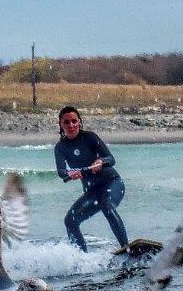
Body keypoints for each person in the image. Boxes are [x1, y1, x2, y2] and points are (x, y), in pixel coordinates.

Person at [53, 106, 129, 252]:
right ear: (61, 125)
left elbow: (111, 159)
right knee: (70, 221)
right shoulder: (60, 147)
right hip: (92, 191)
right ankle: (83, 259)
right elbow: (61, 171)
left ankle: (126, 248)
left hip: (112, 182)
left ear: (79, 122)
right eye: (66, 122)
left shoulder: (90, 137)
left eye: (74, 121)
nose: (71, 125)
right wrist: (70, 173)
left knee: (106, 204)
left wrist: (101, 162)